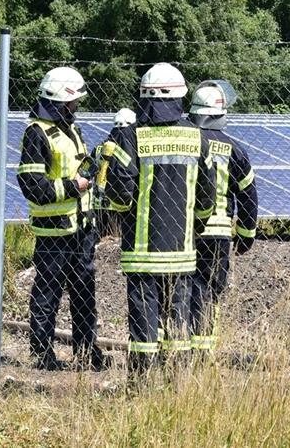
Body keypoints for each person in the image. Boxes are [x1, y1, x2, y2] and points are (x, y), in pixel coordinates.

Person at [105, 63, 215, 377]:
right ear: (180, 98)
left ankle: (142, 380)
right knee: (177, 317)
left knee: (144, 320)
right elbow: (207, 195)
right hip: (181, 251)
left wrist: (122, 213)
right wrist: (196, 225)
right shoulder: (196, 137)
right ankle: (176, 379)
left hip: (142, 253)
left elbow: (121, 192)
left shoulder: (131, 136)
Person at [16, 66, 108, 371]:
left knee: (84, 294)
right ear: (62, 99)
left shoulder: (71, 129)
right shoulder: (37, 133)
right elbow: (32, 186)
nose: (77, 105)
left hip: (81, 229)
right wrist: (73, 186)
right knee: (48, 294)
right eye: (74, 101)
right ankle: (42, 355)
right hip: (53, 232)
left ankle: (87, 352)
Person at [186, 80, 258, 354]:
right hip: (218, 232)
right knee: (210, 290)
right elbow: (248, 196)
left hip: (185, 229)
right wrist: (246, 235)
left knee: (183, 288)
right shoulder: (235, 149)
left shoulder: (185, 141)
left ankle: (181, 342)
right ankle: (203, 349)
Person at [92, 108, 136, 237]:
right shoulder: (129, 148)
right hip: (121, 205)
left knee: (101, 239)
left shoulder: (100, 147)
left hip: (100, 204)